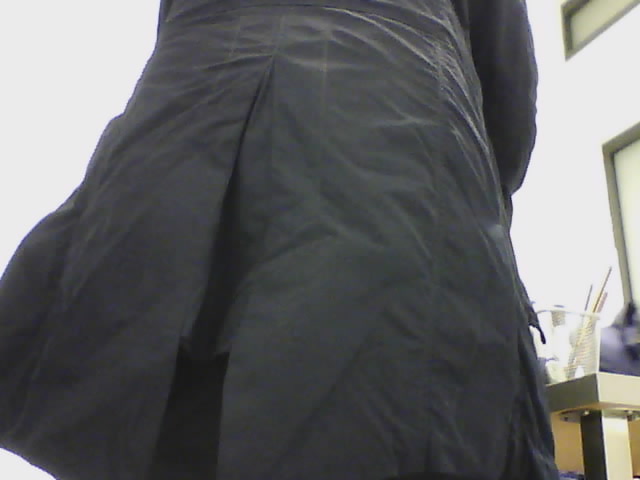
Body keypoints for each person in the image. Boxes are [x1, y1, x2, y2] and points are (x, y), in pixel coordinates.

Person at [0, 0, 558, 479]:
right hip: (398, 142)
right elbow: (508, 96)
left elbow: (172, 27)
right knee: (379, 410)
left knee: (167, 422)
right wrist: (481, 203)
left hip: (181, 146)